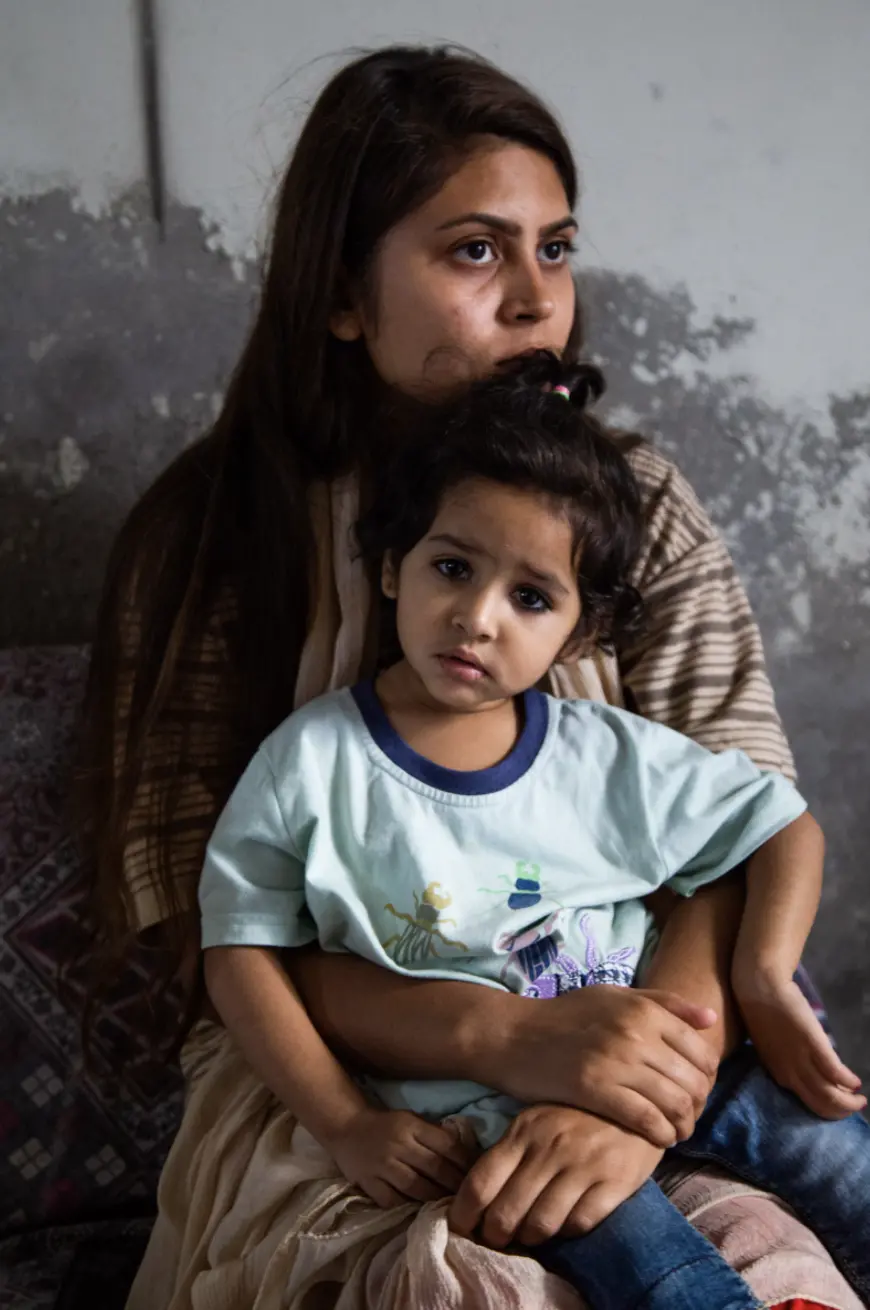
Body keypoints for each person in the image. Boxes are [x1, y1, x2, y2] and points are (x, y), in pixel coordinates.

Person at [76, 43, 862, 1310]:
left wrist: (638, 1088)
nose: (535, 298)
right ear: (343, 293)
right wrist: (499, 1037)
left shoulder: (636, 507)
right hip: (344, 1072)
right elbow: (214, 938)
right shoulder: (208, 541)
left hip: (647, 1018)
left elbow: (739, 823)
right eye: (474, 250)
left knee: (782, 1258)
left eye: (554, 248)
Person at [197, 356, 870, 1310]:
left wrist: (762, 975)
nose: (475, 618)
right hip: (501, 1133)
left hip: (681, 1075)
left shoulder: (608, 756)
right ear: (393, 567)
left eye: (530, 597)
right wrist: (345, 1122)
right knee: (660, 1278)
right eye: (452, 568)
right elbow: (240, 952)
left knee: (848, 1168)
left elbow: (782, 827)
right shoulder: (311, 764)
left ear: (583, 633)